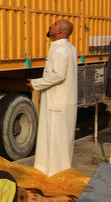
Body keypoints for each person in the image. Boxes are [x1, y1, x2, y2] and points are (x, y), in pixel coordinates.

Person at [27, 19, 78, 177]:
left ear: (60, 31)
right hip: (59, 103)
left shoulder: (61, 49)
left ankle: (55, 177)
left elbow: (58, 76)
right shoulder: (67, 48)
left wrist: (36, 83)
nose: (50, 25)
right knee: (55, 142)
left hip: (58, 104)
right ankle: (50, 175)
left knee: (56, 143)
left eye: (54, 25)